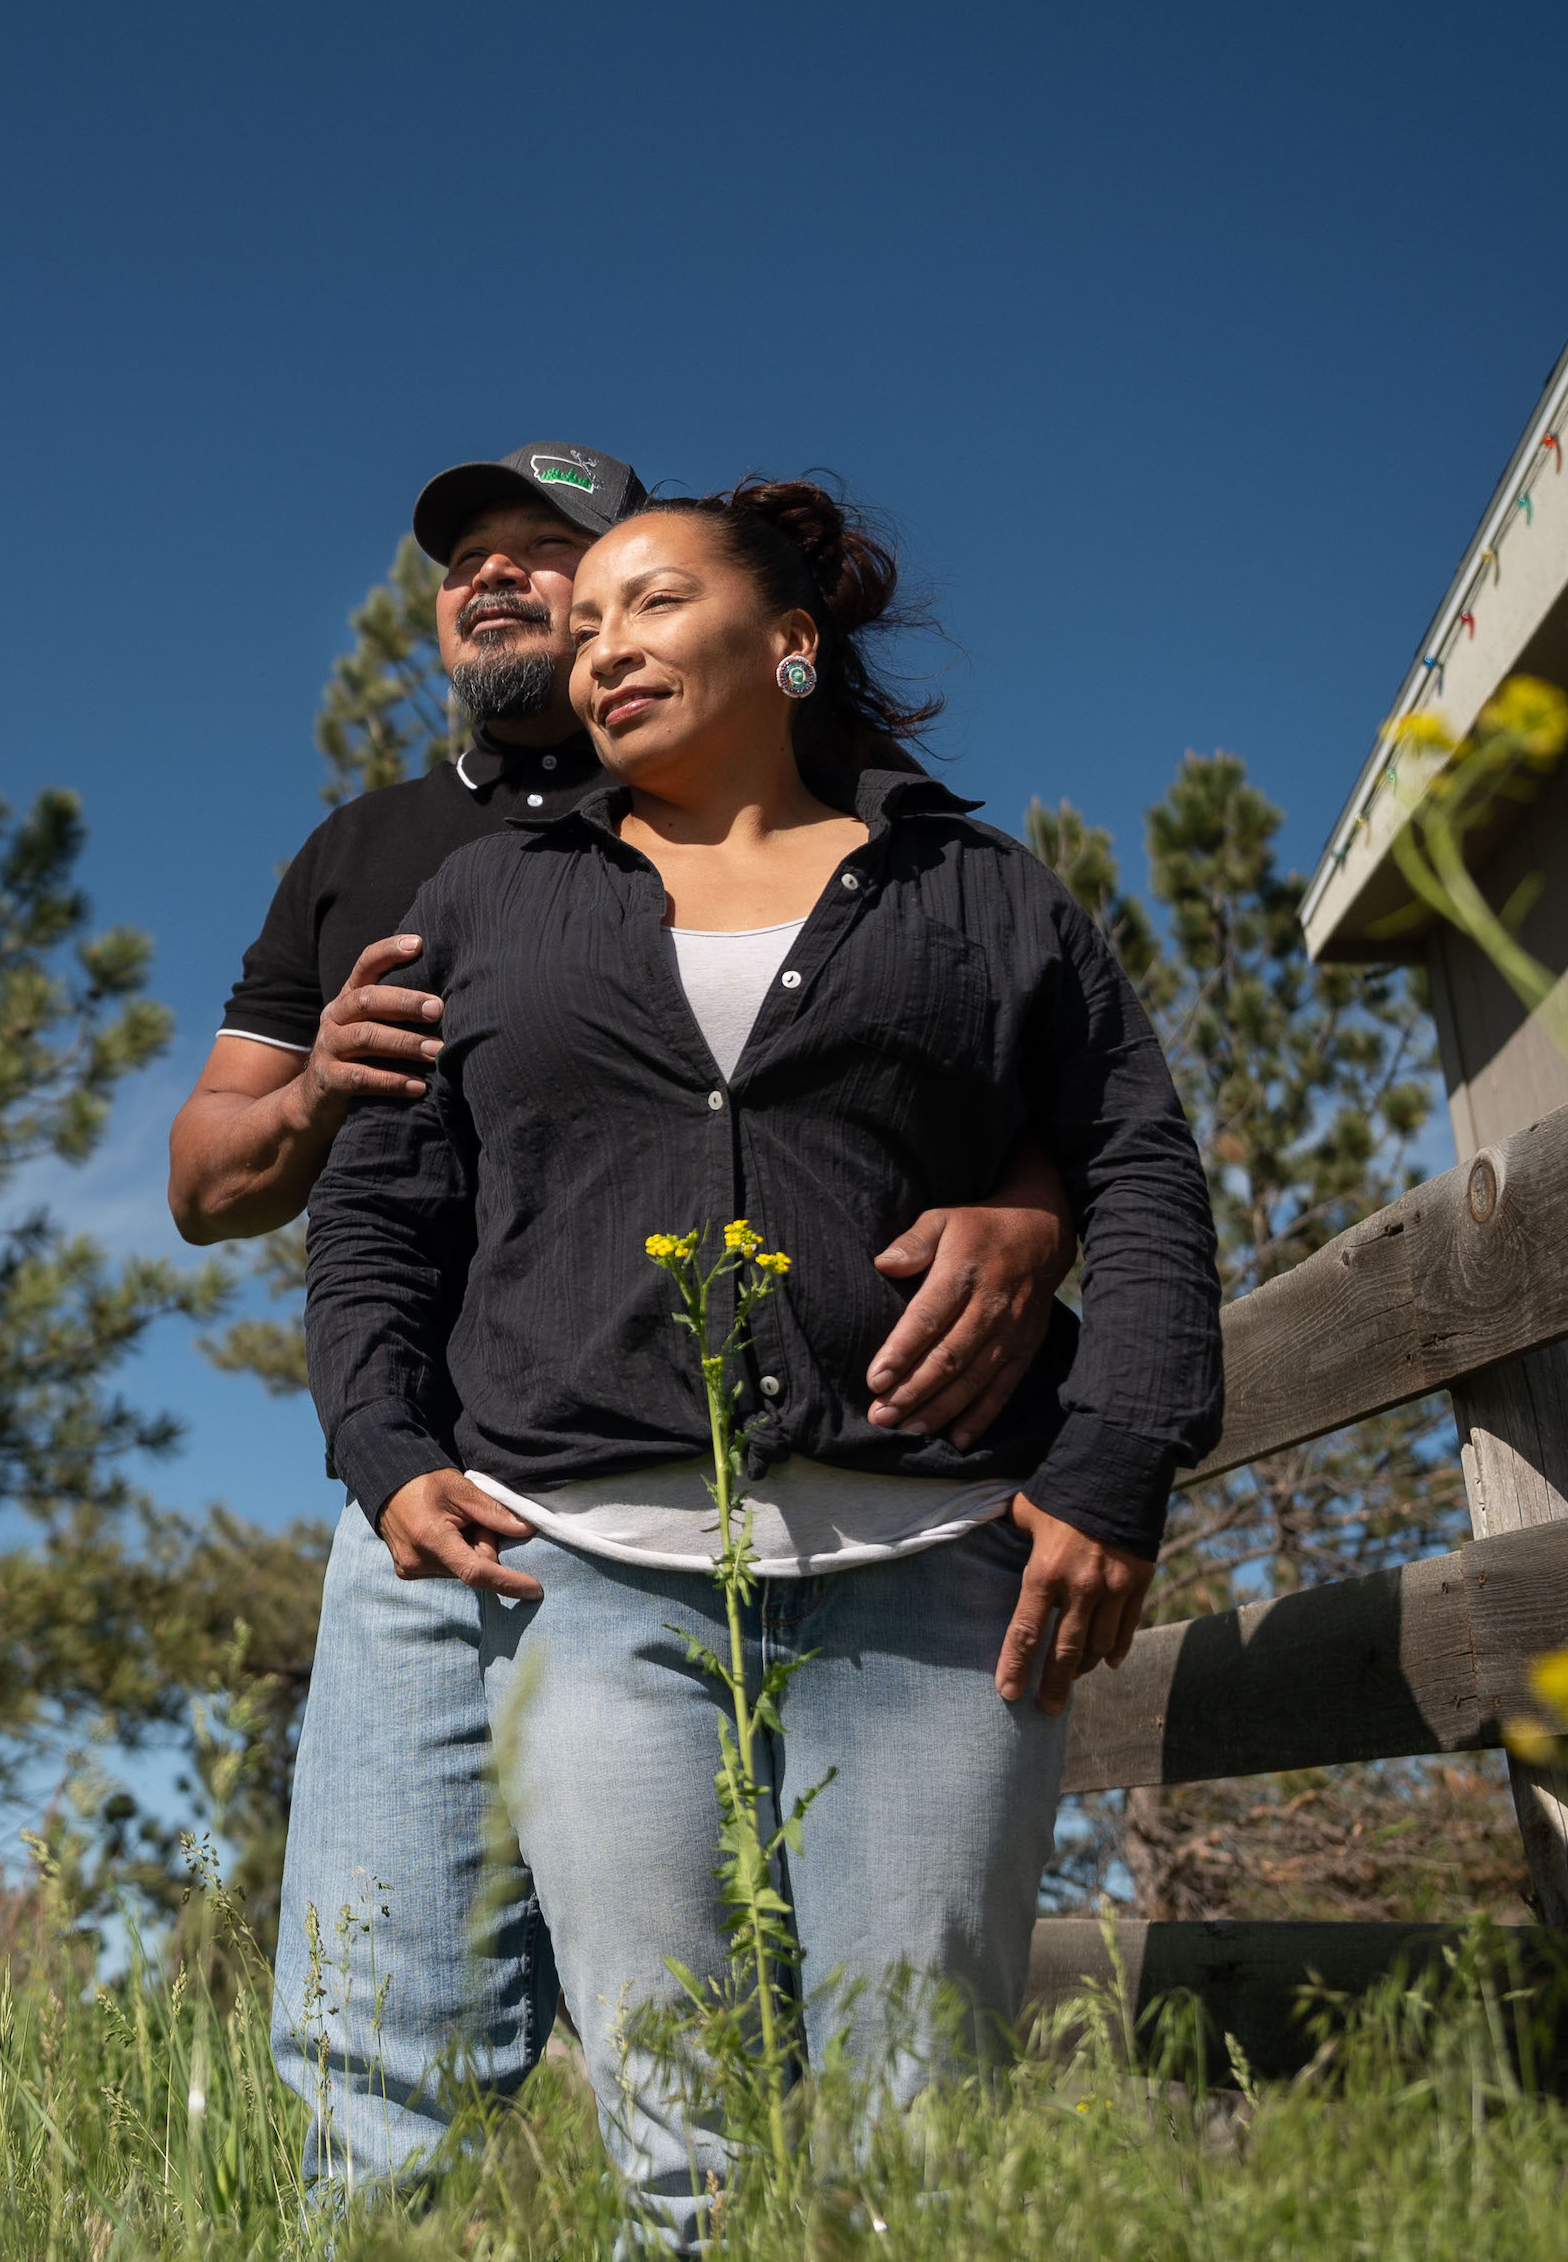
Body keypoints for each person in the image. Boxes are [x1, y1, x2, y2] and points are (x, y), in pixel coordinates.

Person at [301, 478, 1222, 2238]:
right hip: (589, 1583)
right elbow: (377, 1215)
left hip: (939, 1581)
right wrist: (383, 1442)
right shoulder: (490, 898)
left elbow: (1137, 1164)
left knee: (920, 2132)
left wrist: (1117, 1459)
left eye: (645, 606)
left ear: (790, 645)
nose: (599, 649)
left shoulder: (977, 891)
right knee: (682, 2137)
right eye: (583, 635)